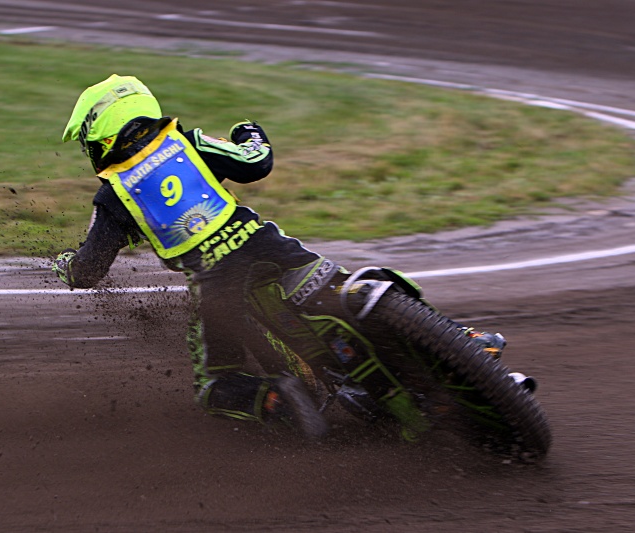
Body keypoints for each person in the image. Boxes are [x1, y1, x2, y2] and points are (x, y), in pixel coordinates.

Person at [52, 74, 506, 439]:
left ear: (99, 138)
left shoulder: (112, 196)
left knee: (215, 385)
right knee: (354, 289)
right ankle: (463, 338)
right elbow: (256, 162)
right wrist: (249, 131)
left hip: (217, 287)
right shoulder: (188, 143)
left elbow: (87, 271)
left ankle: (278, 399)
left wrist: (64, 265)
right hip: (276, 252)